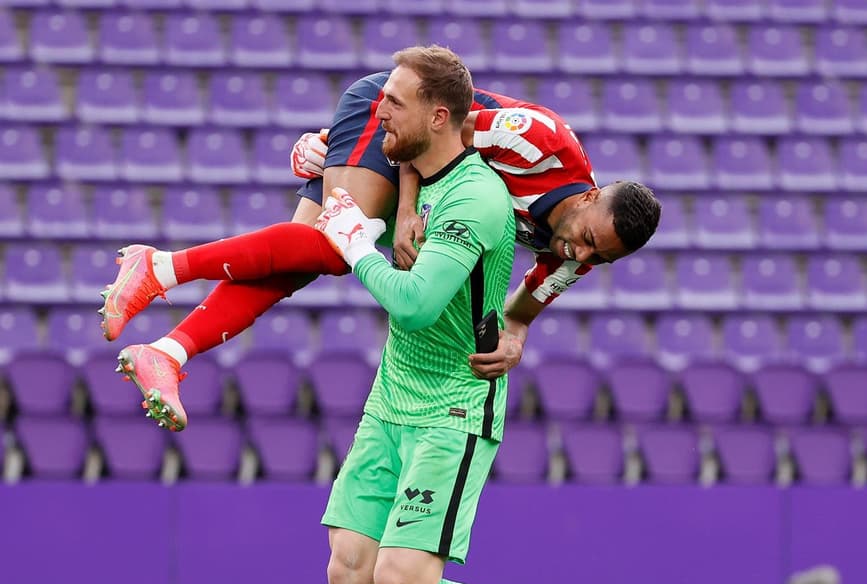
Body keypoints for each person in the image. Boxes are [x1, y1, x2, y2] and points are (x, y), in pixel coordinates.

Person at [285, 46, 594, 584]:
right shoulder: (420, 180)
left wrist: (355, 240)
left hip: (453, 407)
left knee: (403, 581)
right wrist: (320, 165)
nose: (377, 108)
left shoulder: (480, 199)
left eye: (393, 99)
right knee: (349, 568)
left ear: (440, 116)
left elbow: (417, 303)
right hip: (393, 396)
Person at [101, 70, 661, 430]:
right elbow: (429, 130)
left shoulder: (576, 253)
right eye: (587, 241)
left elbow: (522, 312)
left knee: (300, 262)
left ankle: (168, 354)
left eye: (599, 259)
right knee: (336, 247)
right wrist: (405, 213)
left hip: (409, 158)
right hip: (394, 115)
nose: (580, 257)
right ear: (589, 196)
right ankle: (156, 267)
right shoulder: (539, 140)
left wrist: (515, 340)